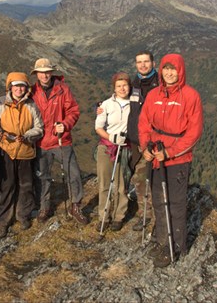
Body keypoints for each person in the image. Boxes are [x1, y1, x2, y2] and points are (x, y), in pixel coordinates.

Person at [139, 53, 203, 268]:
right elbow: (144, 123)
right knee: (158, 200)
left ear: (180, 71)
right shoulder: (153, 95)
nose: (169, 73)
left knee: (175, 203)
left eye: (173, 69)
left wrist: (171, 152)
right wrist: (144, 147)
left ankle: (176, 246)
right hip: (156, 155)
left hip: (178, 159)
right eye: (166, 68)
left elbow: (193, 133)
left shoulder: (190, 96)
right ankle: (161, 239)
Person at [30, 58, 89, 225]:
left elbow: (73, 111)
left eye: (47, 71)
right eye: (41, 72)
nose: (44, 75)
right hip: (41, 142)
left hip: (61, 140)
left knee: (74, 173)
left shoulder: (63, 89)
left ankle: (76, 206)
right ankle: (44, 207)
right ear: (37, 74)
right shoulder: (32, 91)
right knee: (42, 177)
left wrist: (65, 124)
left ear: (51, 72)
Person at [0, 72, 43, 238]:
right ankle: (3, 221)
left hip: (26, 151)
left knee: (26, 185)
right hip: (5, 151)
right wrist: (0, 134)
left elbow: (39, 128)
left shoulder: (31, 105)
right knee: (6, 186)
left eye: (22, 86)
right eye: (16, 85)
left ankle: (23, 216)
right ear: (10, 87)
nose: (19, 89)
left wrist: (27, 136)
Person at [126, 50, 160, 231]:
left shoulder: (160, 84)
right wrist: (103, 107)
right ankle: (145, 216)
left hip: (156, 142)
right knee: (140, 181)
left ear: (153, 63)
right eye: (139, 62)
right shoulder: (134, 83)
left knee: (156, 180)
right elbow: (122, 100)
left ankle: (158, 218)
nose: (143, 65)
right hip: (136, 141)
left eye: (146, 61)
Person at [94, 72, 132, 232]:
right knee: (104, 183)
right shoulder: (106, 105)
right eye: (119, 86)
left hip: (125, 147)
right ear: (114, 88)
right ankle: (104, 216)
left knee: (121, 184)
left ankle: (118, 216)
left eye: (125, 85)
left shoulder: (135, 104)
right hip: (107, 147)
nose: (122, 89)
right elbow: (98, 127)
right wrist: (111, 137)